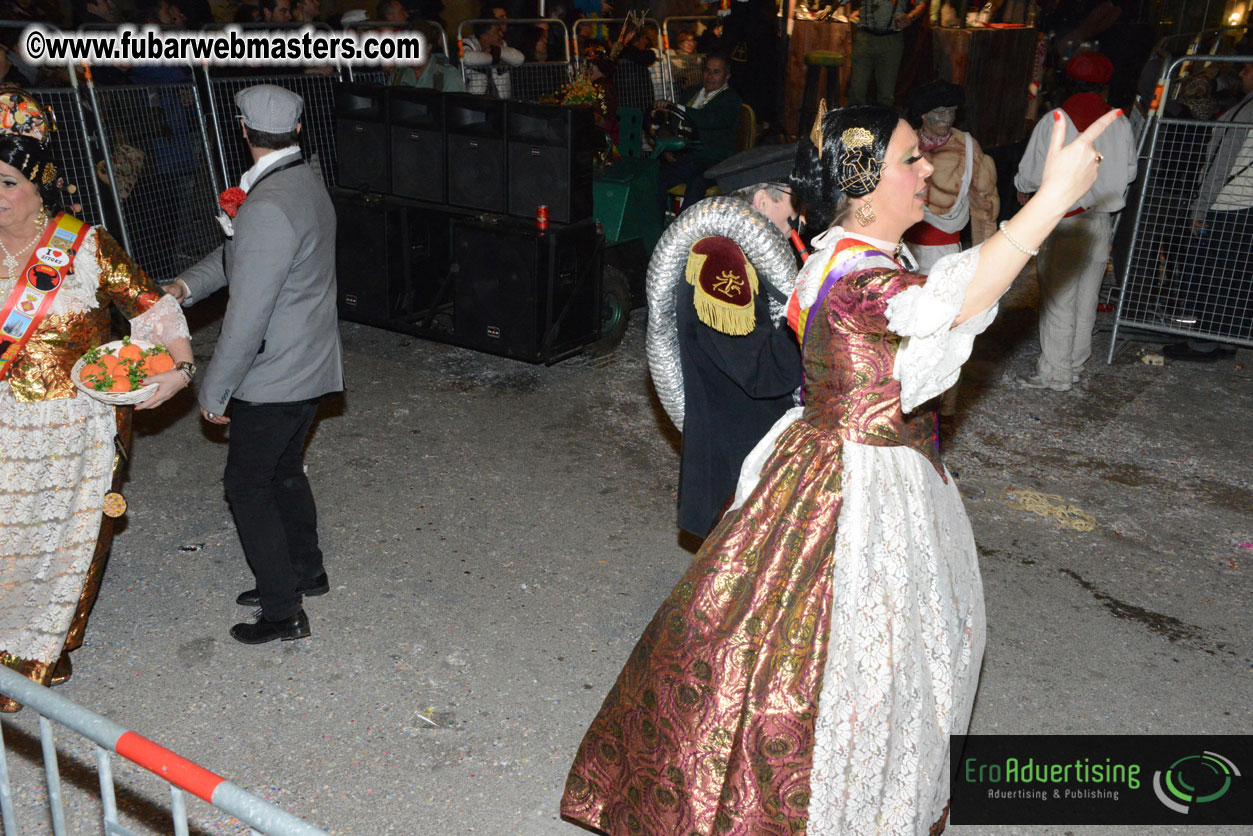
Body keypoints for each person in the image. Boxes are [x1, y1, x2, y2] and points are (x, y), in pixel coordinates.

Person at [562, 101, 1120, 835]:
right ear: (861, 186)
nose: (925, 169)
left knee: (866, 653)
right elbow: (958, 298)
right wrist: (1048, 202)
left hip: (846, 459)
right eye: (907, 160)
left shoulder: (848, 253)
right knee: (843, 656)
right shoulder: (862, 279)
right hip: (854, 479)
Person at [0, 89, 194, 712]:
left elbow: (155, 311)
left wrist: (178, 370)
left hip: (69, 433)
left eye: (6, 182)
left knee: (55, 547)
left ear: (39, 186)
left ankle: (31, 652)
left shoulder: (82, 246)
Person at [166, 85, 342, 645]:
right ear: (295, 131)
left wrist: (213, 390)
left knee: (248, 487)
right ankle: (304, 571)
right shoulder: (302, 182)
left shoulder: (266, 205)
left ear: (241, 129)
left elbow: (247, 315)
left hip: (277, 372)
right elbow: (237, 256)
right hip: (310, 361)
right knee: (283, 469)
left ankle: (281, 610)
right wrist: (184, 287)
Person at [672, 145, 804, 540]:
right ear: (763, 200)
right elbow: (762, 372)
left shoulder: (751, 257)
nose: (800, 219)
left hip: (751, 450)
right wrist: (814, 324)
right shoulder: (721, 263)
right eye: (794, 204)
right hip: (737, 460)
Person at [1014, 51, 1136, 391]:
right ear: (1105, 87)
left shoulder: (1055, 120)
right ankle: (1077, 364)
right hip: (1100, 220)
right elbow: (1129, 172)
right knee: (1086, 296)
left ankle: (1056, 373)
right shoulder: (1119, 122)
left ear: (1070, 82)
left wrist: (1023, 190)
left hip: (1064, 218)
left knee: (1058, 298)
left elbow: (1030, 174)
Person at [1165, 60, 1253, 360]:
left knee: (1206, 276)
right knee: (1237, 278)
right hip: (1246, 207)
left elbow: (1221, 161)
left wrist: (1200, 207)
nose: (1241, 73)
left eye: (1248, 70)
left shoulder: (1244, 112)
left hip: (1228, 204)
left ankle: (1201, 342)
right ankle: (1228, 339)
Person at [904, 80, 999, 274]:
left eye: (952, 111)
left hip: (943, 255)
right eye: (939, 112)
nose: (947, 118)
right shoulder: (904, 143)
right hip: (902, 249)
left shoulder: (967, 148)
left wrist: (983, 261)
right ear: (923, 114)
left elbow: (985, 207)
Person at [656, 53, 743, 213]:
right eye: (707, 71)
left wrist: (677, 107)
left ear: (727, 76)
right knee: (653, 176)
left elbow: (710, 120)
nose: (710, 76)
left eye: (716, 72)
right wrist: (667, 144)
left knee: (697, 184)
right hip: (686, 158)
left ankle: (683, 230)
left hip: (713, 160)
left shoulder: (731, 100)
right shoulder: (691, 93)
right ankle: (655, 226)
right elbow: (673, 125)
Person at [841, 0, 926, 107]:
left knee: (886, 94)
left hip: (891, 39)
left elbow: (921, 4)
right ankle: (853, 121)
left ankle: (884, 120)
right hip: (865, 37)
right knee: (856, 90)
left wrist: (911, 17)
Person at [462, 8, 524, 98]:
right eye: (496, 32)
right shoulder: (468, 44)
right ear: (484, 36)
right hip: (476, 104)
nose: (501, 35)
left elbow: (520, 59)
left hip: (502, 103)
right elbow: (467, 58)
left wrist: (496, 52)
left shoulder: (501, 46)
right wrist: (492, 58)